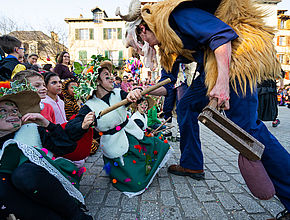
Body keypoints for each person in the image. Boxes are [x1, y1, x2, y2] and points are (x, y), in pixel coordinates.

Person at [117, 0, 290, 217]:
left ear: (143, 28)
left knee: (248, 131)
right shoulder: (167, 41)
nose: (150, 47)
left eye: (144, 41)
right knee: (187, 105)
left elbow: (222, 37)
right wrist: (143, 90)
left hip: (236, 56)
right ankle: (192, 164)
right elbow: (168, 83)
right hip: (210, 64)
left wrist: (222, 83)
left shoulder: (174, 16)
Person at [66, 59, 172, 197]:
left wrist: (135, 93)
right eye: (106, 76)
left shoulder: (117, 92)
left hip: (130, 132)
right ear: (96, 81)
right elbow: (72, 127)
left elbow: (131, 97)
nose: (112, 78)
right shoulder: (89, 106)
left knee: (155, 146)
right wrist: (84, 124)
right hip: (112, 141)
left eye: (111, 74)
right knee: (132, 181)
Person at [0, 87, 93, 220]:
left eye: (15, 110)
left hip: (52, 185)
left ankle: (77, 216)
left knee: (24, 173)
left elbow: (67, 146)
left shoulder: (31, 129)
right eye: (3, 110)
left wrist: (47, 124)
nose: (13, 114)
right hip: (26, 205)